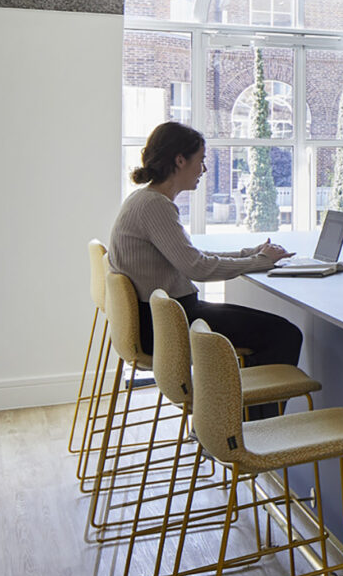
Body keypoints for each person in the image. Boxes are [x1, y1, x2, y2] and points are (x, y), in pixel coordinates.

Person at [108, 121, 303, 419]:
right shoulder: (156, 206)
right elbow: (196, 267)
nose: (204, 169)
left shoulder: (144, 200)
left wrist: (251, 254)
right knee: (284, 334)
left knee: (277, 331)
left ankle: (234, 424)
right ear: (180, 160)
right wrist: (261, 262)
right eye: (201, 160)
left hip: (164, 319)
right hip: (168, 327)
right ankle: (249, 431)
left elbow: (191, 256)